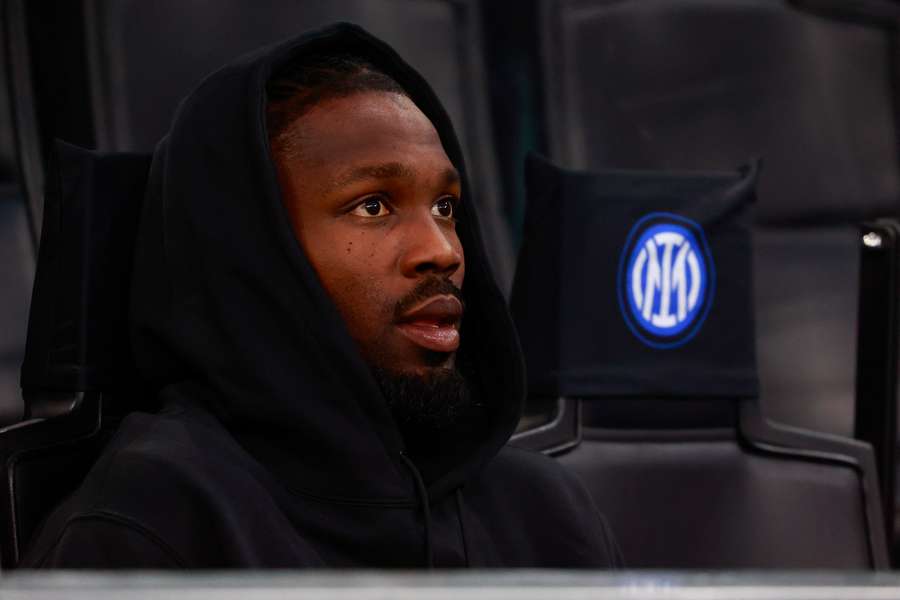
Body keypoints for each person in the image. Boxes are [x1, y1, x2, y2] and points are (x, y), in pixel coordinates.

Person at [22, 23, 621, 568]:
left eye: (446, 207)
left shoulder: (545, 508)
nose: (443, 250)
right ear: (256, 250)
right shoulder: (151, 523)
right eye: (374, 206)